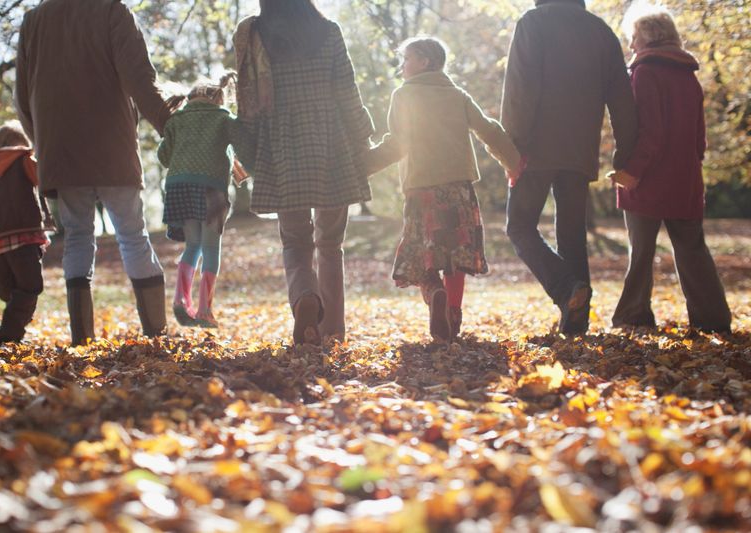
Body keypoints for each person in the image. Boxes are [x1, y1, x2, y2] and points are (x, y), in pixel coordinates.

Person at [14, 0, 173, 346]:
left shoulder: (33, 21)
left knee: (77, 237)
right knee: (132, 235)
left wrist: (42, 143)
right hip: (112, 145)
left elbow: (22, 98)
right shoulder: (111, 10)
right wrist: (170, 127)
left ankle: (82, 339)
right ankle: (156, 335)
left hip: (60, 148)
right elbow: (140, 79)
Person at [234, 0, 373, 345]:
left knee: (295, 241)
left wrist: (245, 147)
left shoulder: (256, 34)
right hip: (331, 142)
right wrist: (363, 135)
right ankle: (333, 330)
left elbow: (247, 97)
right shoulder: (328, 31)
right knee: (331, 243)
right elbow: (347, 91)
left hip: (281, 144)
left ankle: (305, 299)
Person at [366, 37, 521, 341]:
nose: (402, 65)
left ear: (425, 61)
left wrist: (363, 166)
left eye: (406, 58)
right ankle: (452, 313)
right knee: (456, 253)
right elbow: (488, 129)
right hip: (458, 189)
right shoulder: (457, 95)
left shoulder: (404, 95)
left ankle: (434, 291)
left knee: (422, 250)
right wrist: (512, 162)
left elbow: (397, 144)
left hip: (421, 189)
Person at [501, 0, 638, 334]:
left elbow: (520, 88)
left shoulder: (533, 22)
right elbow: (623, 99)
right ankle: (576, 322)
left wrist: (512, 148)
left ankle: (566, 290)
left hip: (535, 149)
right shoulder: (601, 31)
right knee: (572, 235)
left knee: (519, 227)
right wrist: (624, 155)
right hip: (580, 151)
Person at [610, 7, 732, 333]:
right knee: (693, 249)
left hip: (647, 178)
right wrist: (690, 169)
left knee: (641, 252)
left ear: (649, 37)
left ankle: (633, 315)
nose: (631, 45)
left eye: (634, 37)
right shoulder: (689, 77)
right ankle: (713, 319)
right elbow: (699, 139)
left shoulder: (645, 73)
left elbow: (650, 132)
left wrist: (632, 172)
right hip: (685, 178)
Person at [158, 74, 255, 328]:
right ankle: (205, 310)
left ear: (191, 98)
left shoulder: (177, 120)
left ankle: (180, 300)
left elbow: (164, 157)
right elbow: (245, 148)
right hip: (211, 188)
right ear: (220, 98)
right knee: (211, 248)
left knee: (193, 245)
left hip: (180, 188)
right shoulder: (224, 118)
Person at [0, 122, 54, 343]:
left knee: (10, 293)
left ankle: (13, 339)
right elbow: (45, 179)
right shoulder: (24, 161)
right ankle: (7, 338)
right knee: (30, 287)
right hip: (24, 239)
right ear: (22, 141)